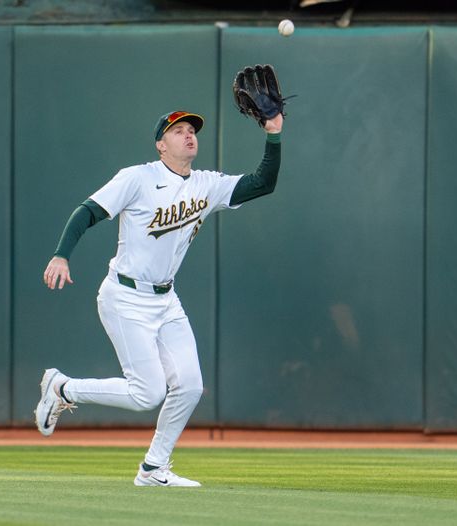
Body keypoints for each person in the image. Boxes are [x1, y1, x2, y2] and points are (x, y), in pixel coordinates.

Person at [35, 110, 283, 487]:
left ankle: (153, 468)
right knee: (146, 393)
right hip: (125, 296)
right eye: (178, 130)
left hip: (166, 299)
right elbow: (87, 212)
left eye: (192, 130)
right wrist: (60, 254)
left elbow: (263, 183)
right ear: (160, 144)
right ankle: (62, 387)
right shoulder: (138, 177)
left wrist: (274, 134)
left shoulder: (206, 184)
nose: (188, 136)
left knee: (190, 386)